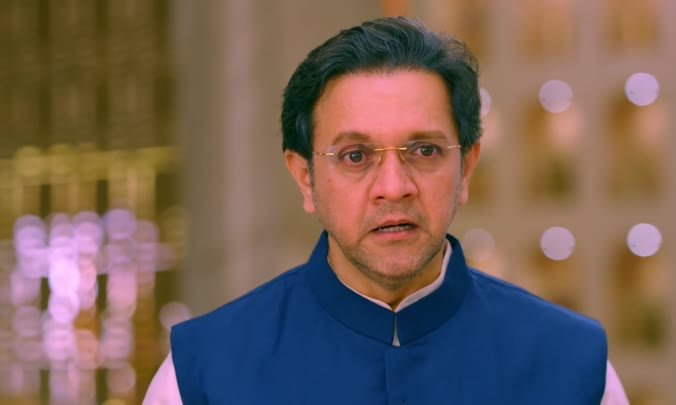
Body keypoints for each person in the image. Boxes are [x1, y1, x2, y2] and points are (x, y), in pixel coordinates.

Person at [144, 16, 628, 404]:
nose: (394, 188)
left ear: (466, 169)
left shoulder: (573, 367)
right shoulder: (200, 376)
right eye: (355, 156)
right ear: (305, 177)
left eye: (424, 151)